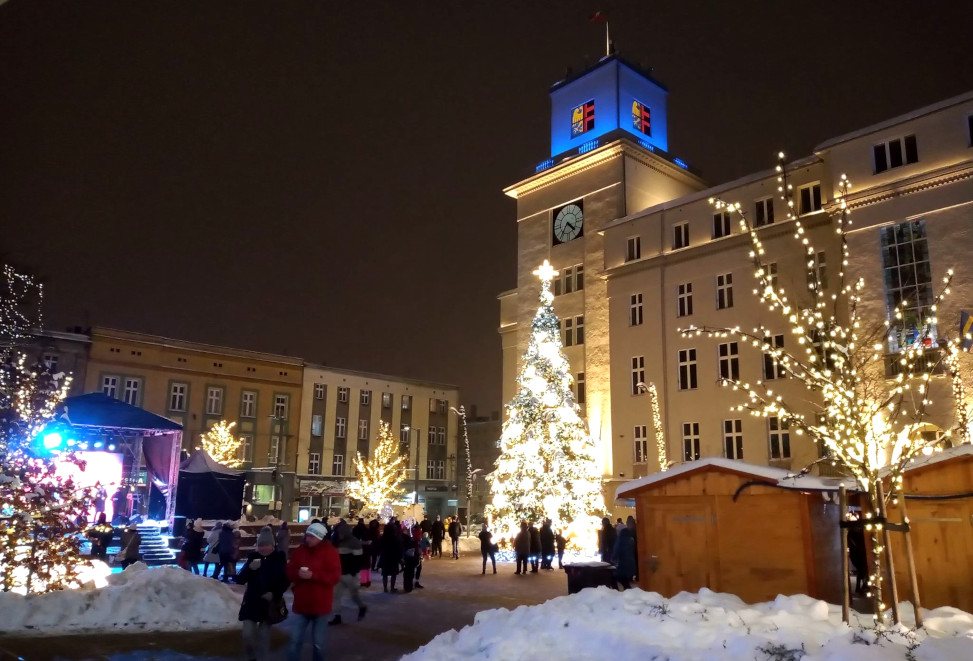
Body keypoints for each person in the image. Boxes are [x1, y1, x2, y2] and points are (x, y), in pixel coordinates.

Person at [287, 522, 340, 661]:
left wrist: (314, 575)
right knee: (294, 641)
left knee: (318, 644)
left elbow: (334, 577)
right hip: (302, 603)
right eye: (307, 536)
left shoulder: (330, 552)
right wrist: (297, 573)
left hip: (321, 605)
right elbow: (289, 570)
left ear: (320, 538)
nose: (308, 539)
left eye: (312, 537)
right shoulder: (300, 551)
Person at [236, 526, 289, 661]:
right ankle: (251, 657)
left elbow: (285, 581)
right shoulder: (253, 557)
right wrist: (249, 568)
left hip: (268, 604)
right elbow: (240, 580)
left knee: (263, 636)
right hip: (252, 602)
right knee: (247, 635)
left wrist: (274, 594)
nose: (264, 548)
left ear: (272, 545)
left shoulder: (279, 558)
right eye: (261, 545)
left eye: (266, 545)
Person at [328, 520, 367, 625]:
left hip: (350, 574)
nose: (339, 535)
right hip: (339, 573)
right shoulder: (336, 541)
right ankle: (337, 615)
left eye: (340, 534)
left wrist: (354, 572)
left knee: (354, 595)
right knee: (335, 595)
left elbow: (358, 560)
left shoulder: (354, 543)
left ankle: (361, 606)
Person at [379, 519, 403, 592]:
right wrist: (400, 557)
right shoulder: (395, 538)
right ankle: (392, 588)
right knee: (393, 574)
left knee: (385, 574)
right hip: (393, 557)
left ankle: (385, 588)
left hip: (385, 557)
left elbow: (379, 546)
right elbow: (399, 547)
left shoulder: (383, 537)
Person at [612, 522, 637, 590]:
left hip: (623, 563)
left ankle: (616, 593)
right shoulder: (630, 538)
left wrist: (613, 558)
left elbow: (617, 550)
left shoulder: (621, 539)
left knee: (619, 578)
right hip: (630, 562)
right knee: (624, 581)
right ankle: (628, 593)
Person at [401, 528, 419, 592]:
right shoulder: (408, 539)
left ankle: (407, 587)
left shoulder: (406, 538)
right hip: (409, 558)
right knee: (409, 573)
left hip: (408, 558)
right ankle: (408, 587)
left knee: (408, 573)